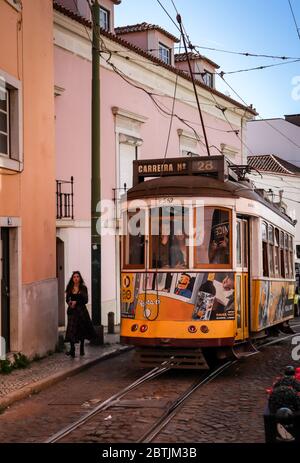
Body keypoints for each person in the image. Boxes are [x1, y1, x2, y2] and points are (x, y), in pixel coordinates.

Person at [64, 271, 96, 358]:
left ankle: (82, 347)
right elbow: (67, 299)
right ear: (72, 278)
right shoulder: (70, 288)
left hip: (81, 311)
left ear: (80, 278)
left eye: (77, 277)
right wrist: (70, 303)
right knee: (71, 330)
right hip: (72, 312)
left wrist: (77, 302)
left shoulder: (83, 288)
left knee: (81, 329)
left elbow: (86, 300)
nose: (76, 278)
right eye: (74, 277)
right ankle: (72, 349)